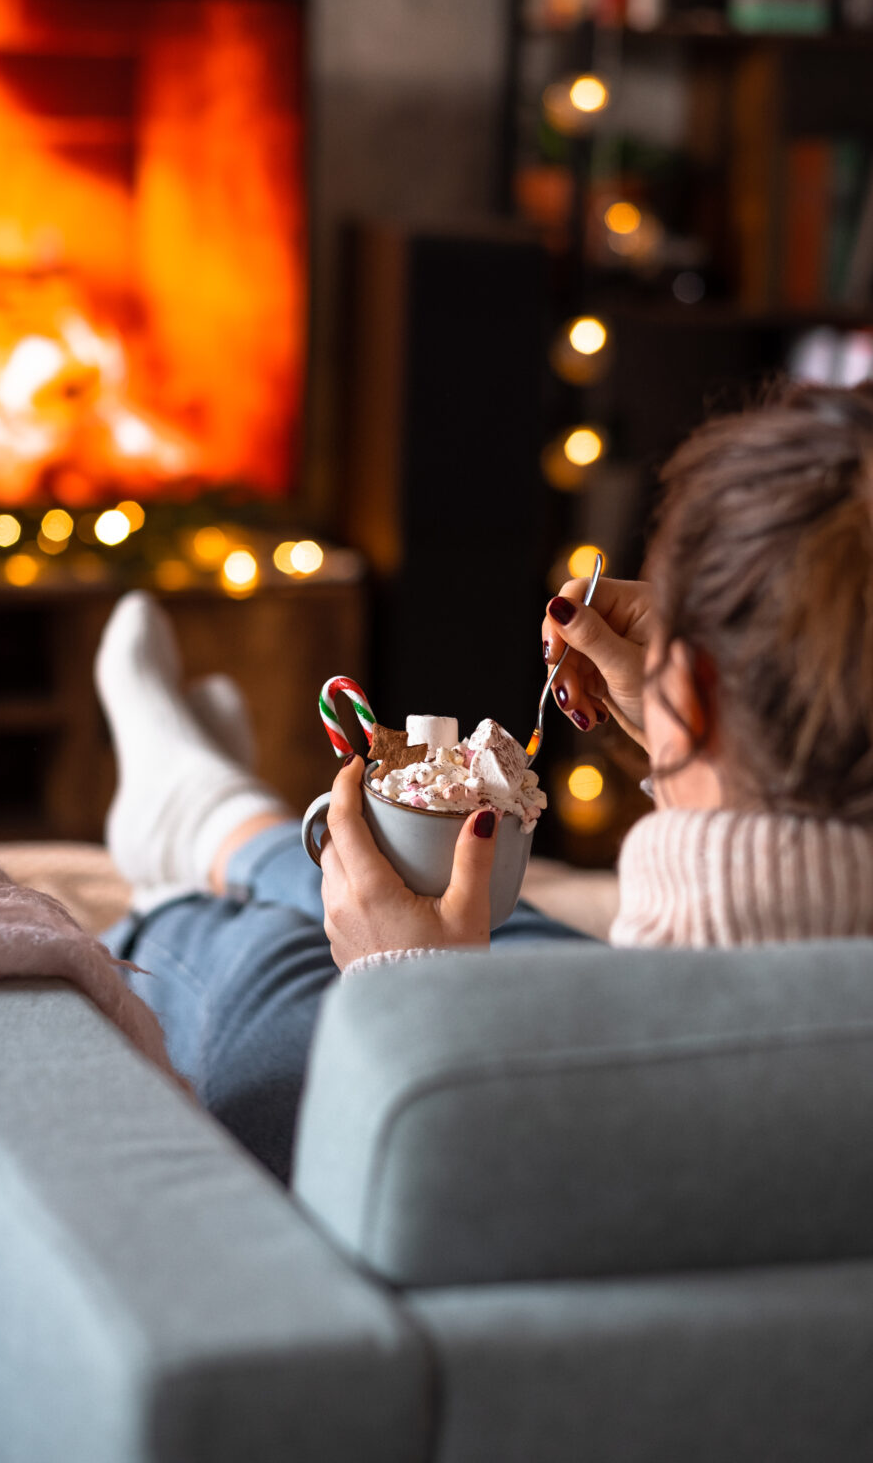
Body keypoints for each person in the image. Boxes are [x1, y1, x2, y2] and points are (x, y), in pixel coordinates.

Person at [99, 381, 873, 1182]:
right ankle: (209, 815)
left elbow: (432, 1180)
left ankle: (194, 827)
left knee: (277, 961)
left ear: (698, 686)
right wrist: (692, 744)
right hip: (656, 995)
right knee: (508, 929)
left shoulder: (574, 1100)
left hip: (426, 1114)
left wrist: (414, 991)